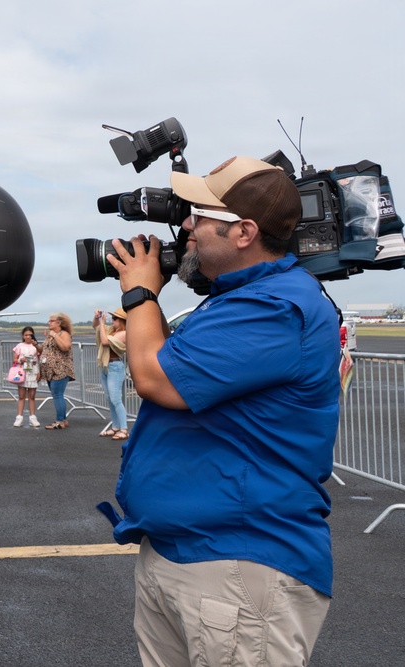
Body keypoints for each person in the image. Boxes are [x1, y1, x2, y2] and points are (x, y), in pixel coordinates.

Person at [104, 156, 341, 666]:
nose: (184, 227)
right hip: (185, 551)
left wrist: (141, 293)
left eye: (197, 216)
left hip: (237, 559)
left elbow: (156, 378)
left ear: (244, 232)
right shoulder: (237, 300)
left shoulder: (277, 307)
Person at [92, 308, 129, 440]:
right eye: (112, 318)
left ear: (122, 321)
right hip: (105, 365)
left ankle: (124, 429)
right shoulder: (111, 331)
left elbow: (105, 342)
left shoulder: (124, 333)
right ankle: (115, 426)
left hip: (115, 366)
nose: (112, 321)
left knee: (115, 399)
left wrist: (102, 323)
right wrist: (97, 318)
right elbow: (96, 328)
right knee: (109, 398)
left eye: (115, 319)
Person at [39, 312, 75, 429]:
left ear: (58, 322)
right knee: (56, 395)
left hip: (61, 369)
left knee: (58, 395)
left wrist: (54, 335)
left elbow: (65, 347)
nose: (48, 323)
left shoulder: (63, 334)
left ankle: (59, 421)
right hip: (50, 371)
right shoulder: (51, 335)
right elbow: (45, 349)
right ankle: (63, 420)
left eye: (51, 321)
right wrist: (36, 345)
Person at [12, 326, 42, 427]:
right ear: (23, 336)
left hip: (33, 370)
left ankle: (32, 417)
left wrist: (39, 372)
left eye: (30, 335)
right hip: (22, 371)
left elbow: (39, 358)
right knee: (21, 396)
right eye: (26, 335)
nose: (28, 337)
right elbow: (14, 359)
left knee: (32, 396)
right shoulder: (20, 346)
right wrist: (21, 360)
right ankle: (19, 417)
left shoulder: (36, 346)